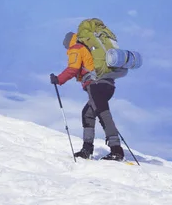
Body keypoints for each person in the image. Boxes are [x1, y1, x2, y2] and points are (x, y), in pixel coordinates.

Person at [50, 31, 125, 161]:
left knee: (103, 114)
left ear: (69, 42)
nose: (67, 49)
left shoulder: (76, 48)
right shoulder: (89, 48)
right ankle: (87, 149)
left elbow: (73, 68)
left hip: (95, 84)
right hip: (108, 84)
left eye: (66, 46)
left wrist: (58, 79)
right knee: (88, 113)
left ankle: (116, 150)